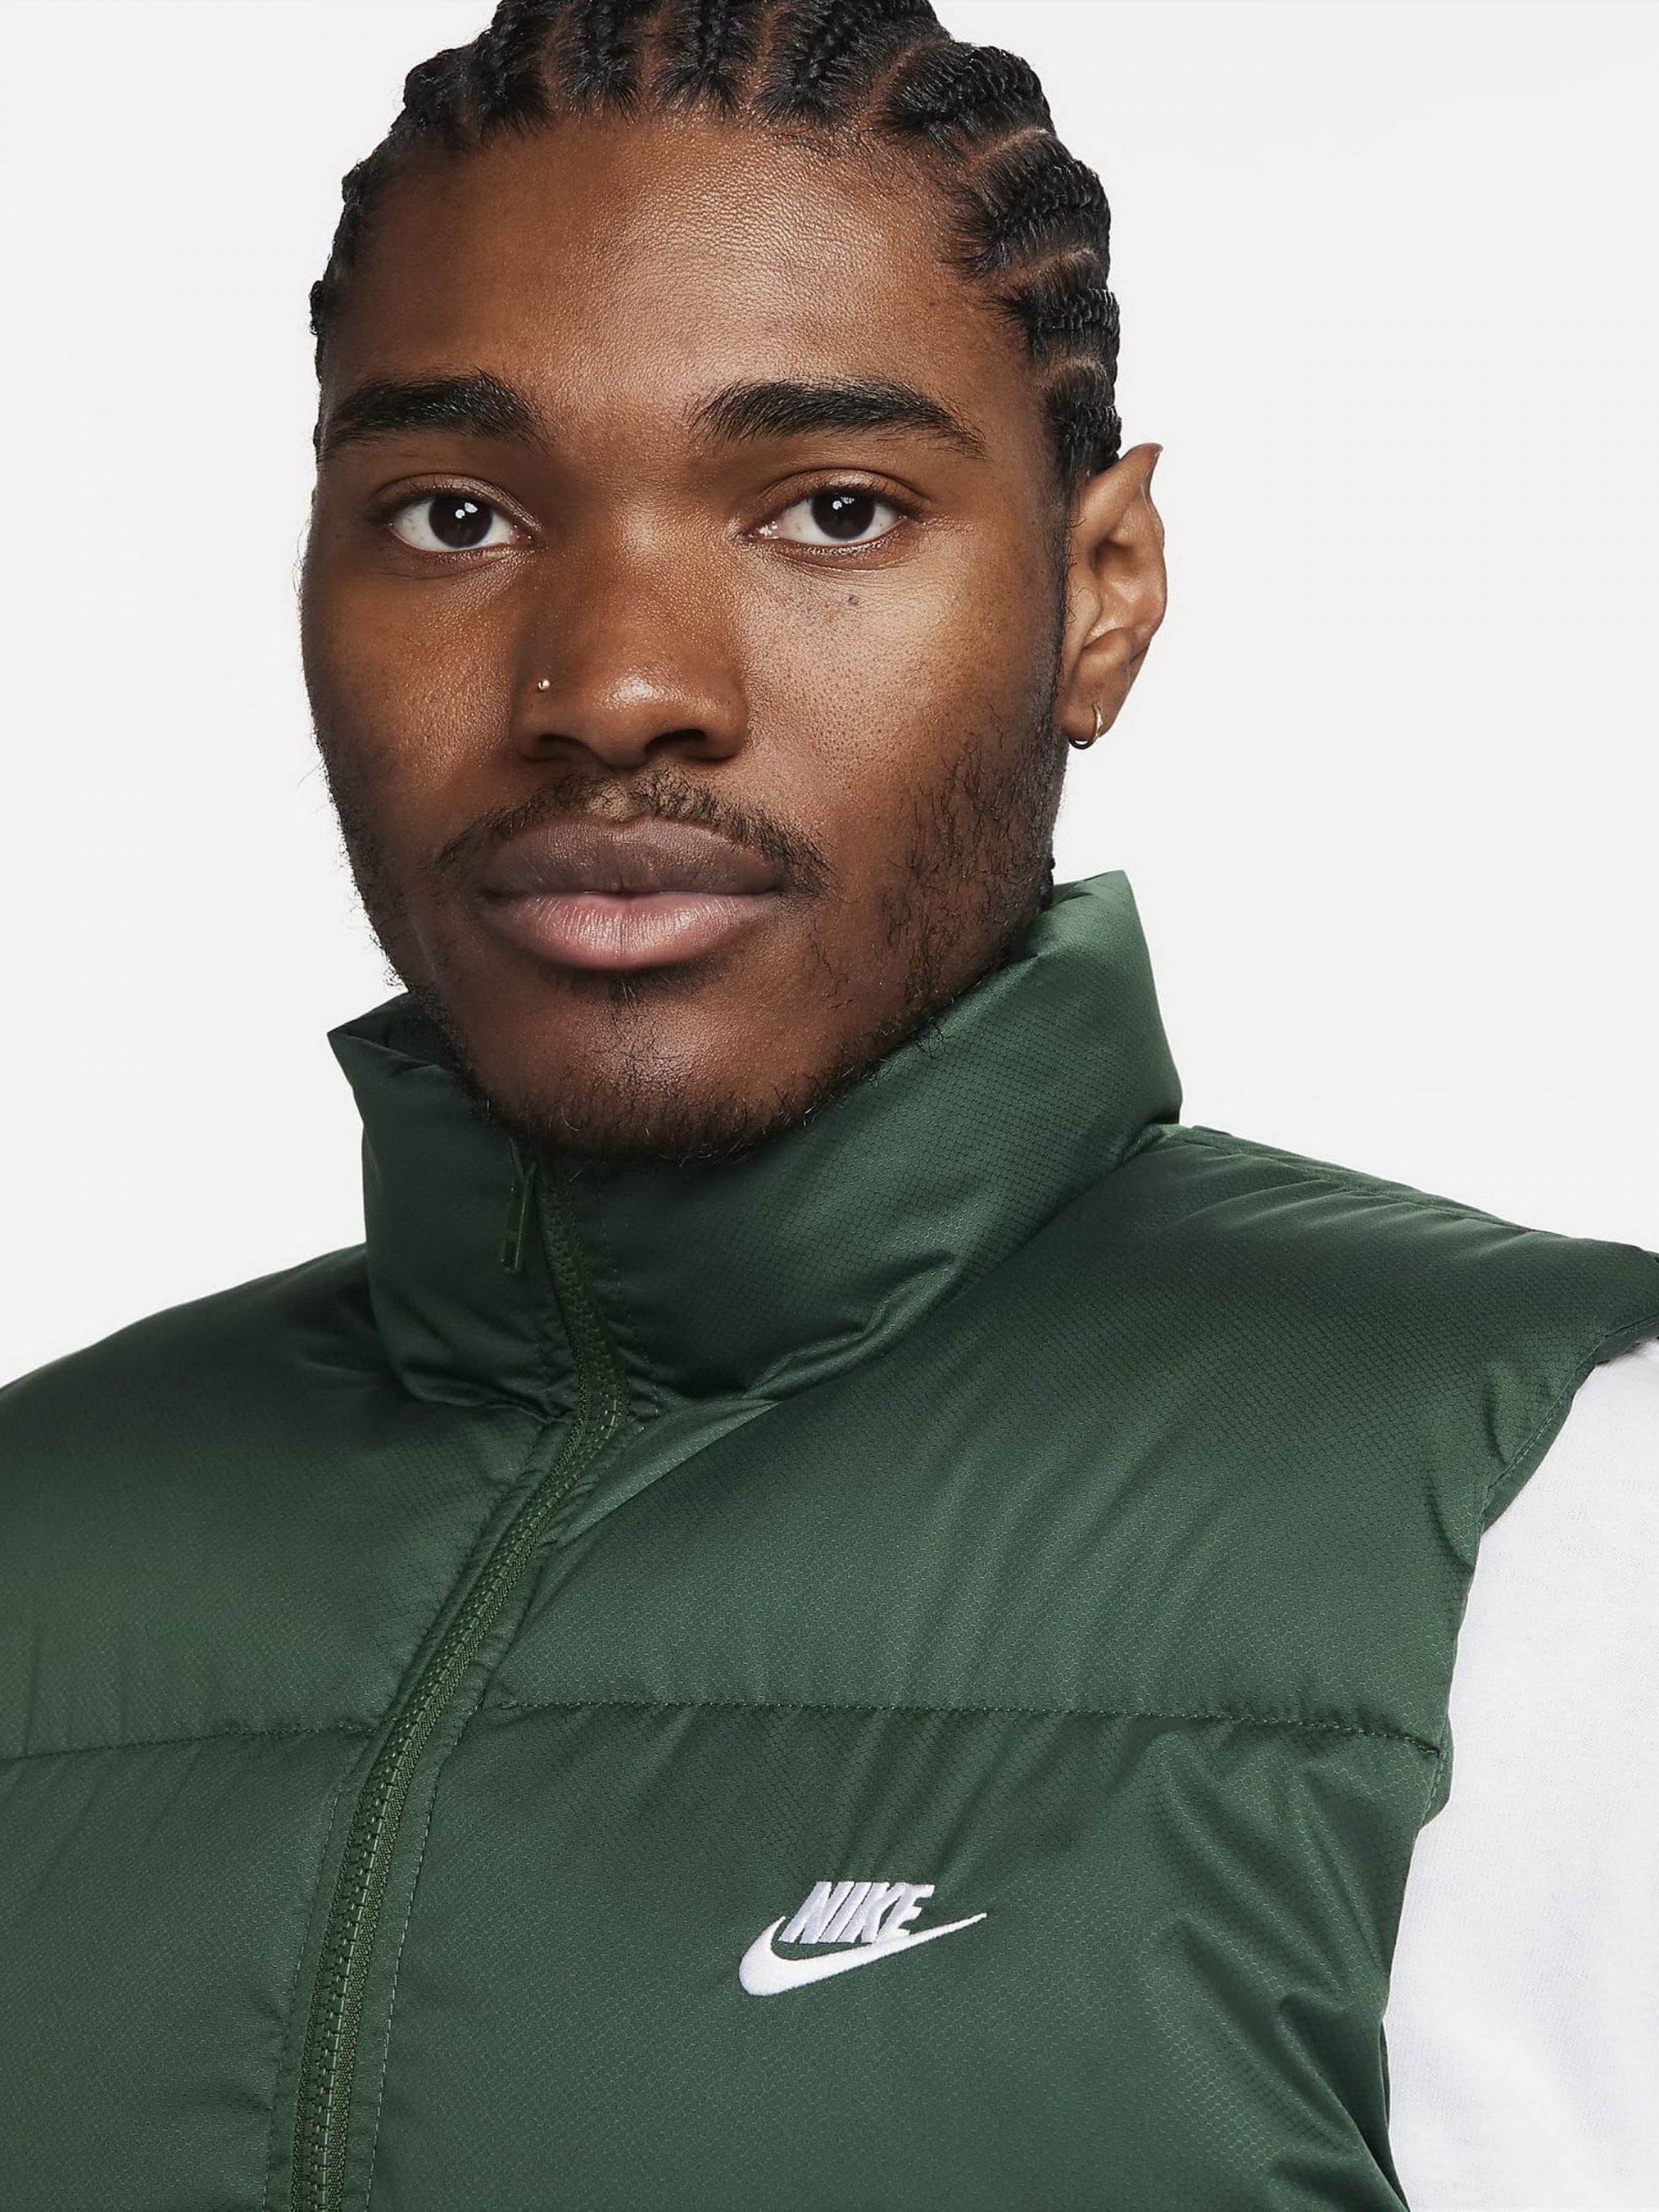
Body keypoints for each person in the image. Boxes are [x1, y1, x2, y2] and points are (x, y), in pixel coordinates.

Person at [0, 2, 1653, 2206]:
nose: (616, 689)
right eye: (456, 514)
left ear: (1100, 593)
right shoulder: (37, 1537)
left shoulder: (1555, 1517)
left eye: (831, 509)